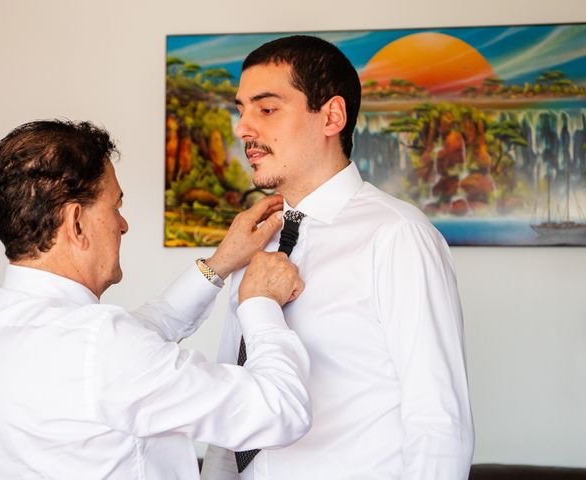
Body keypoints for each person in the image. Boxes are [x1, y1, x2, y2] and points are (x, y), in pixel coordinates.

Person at [0, 120, 312, 480]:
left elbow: (142, 336)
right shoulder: (102, 347)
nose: (123, 225)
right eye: (114, 206)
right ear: (76, 223)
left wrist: (218, 264)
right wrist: (260, 302)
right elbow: (282, 410)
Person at [201, 35, 474, 480]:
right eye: (240, 109)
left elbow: (439, 420)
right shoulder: (259, 240)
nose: (242, 128)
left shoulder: (398, 236)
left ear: (331, 116)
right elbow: (239, 389)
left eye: (265, 109)